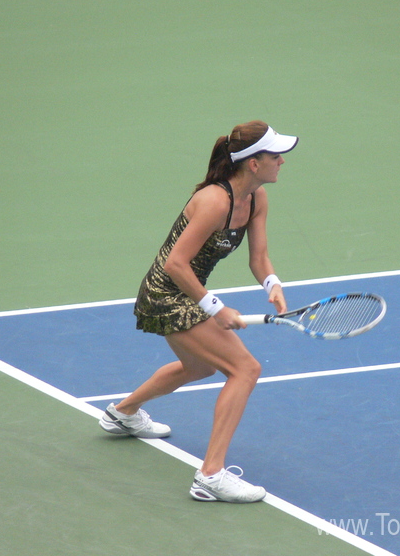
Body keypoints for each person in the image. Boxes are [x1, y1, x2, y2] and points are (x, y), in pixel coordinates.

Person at [99, 120, 298, 503]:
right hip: (166, 293)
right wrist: (215, 307)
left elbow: (259, 257)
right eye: (275, 156)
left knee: (201, 367)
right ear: (253, 164)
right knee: (246, 369)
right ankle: (210, 475)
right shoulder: (214, 201)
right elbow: (175, 263)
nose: (282, 162)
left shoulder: (256, 199)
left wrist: (272, 284)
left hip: (187, 291)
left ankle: (122, 413)